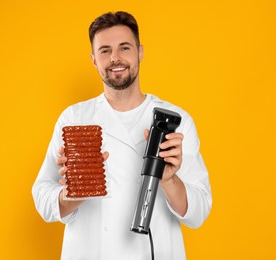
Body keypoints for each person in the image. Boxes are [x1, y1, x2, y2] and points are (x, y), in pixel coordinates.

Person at [32, 11, 212, 260]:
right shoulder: (74, 118)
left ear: (139, 52)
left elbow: (198, 212)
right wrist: (74, 192)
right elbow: (42, 198)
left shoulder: (176, 121)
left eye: (124, 48)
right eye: (105, 50)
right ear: (94, 59)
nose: (115, 58)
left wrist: (169, 179)